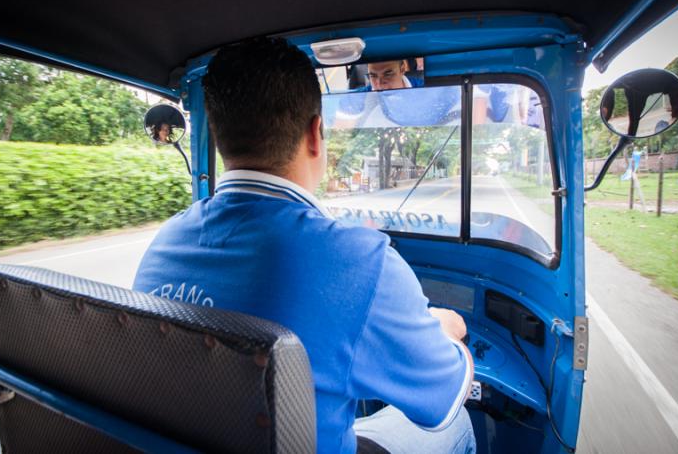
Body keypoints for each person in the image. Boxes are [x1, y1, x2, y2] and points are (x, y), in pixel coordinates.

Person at [133, 37, 475, 454]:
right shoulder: (359, 261)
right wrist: (448, 331)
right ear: (316, 134)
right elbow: (441, 400)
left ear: (219, 138)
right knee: (457, 426)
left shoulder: (165, 241)